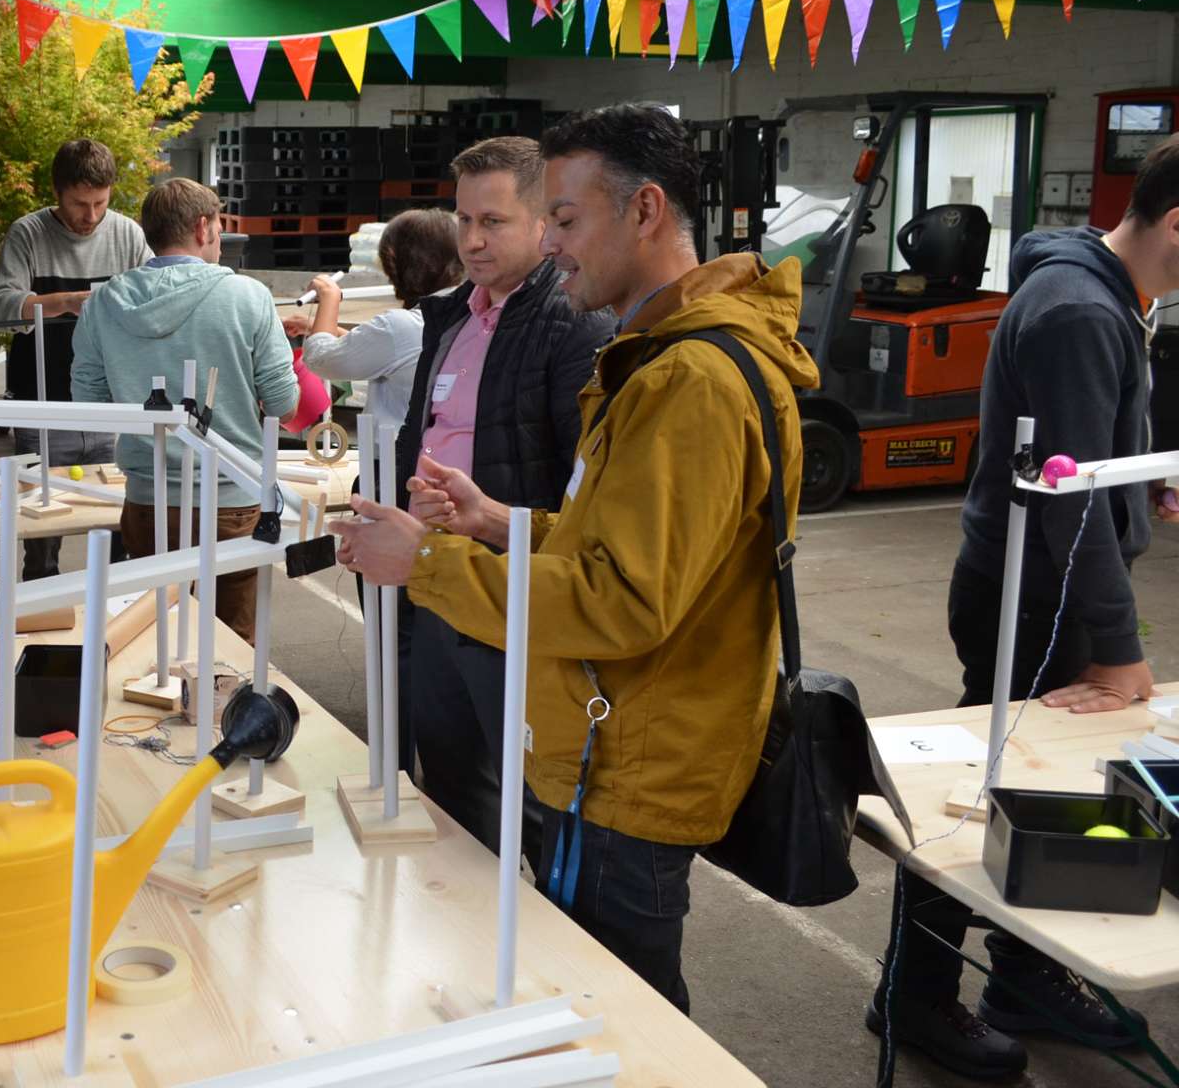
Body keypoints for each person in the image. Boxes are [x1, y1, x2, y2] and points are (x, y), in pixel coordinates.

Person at [332, 103, 819, 1014]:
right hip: (613, 745)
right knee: (595, 989)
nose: (551, 245)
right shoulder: (661, 358)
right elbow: (619, 544)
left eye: (563, 218)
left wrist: (426, 564)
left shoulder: (689, 380)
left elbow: (620, 600)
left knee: (619, 1013)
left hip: (629, 767)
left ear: (645, 211)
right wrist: (498, 521)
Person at [868, 137, 1179, 1080]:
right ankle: (916, 994)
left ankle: (1025, 978)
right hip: (1035, 595)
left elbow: (1087, 455)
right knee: (981, 802)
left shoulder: (1108, 293)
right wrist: (1117, 647)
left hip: (1044, 583)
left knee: (1055, 794)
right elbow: (1067, 499)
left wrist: (1144, 483)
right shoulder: (1079, 309)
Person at [386, 140, 614, 857]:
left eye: (494, 221)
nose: (473, 240)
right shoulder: (450, 318)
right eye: (463, 220)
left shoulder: (574, 324)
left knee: (536, 801)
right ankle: (469, 917)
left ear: (544, 223)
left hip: (514, 599)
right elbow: (422, 430)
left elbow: (585, 485)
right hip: (437, 585)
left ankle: (540, 925)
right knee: (453, 786)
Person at [70, 177, 298, 643]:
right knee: (230, 647)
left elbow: (89, 408)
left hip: (148, 500)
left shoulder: (104, 302)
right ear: (202, 227)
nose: (220, 239)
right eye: (219, 228)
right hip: (232, 499)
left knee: (155, 641)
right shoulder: (248, 296)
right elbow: (283, 404)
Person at [0, 138, 154, 579]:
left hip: (113, 406)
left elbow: (159, 295)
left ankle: (121, 604)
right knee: (41, 532)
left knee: (127, 526)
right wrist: (65, 302)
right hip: (44, 404)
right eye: (80, 204)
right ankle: (40, 611)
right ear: (56, 192)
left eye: (101, 203)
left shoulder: (128, 234)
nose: (91, 216)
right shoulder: (28, 233)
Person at [284, 208, 460, 431]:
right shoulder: (464, 313)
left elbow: (321, 359)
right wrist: (322, 328)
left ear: (394, 260)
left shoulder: (401, 327)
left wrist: (329, 298)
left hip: (397, 449)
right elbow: (390, 350)